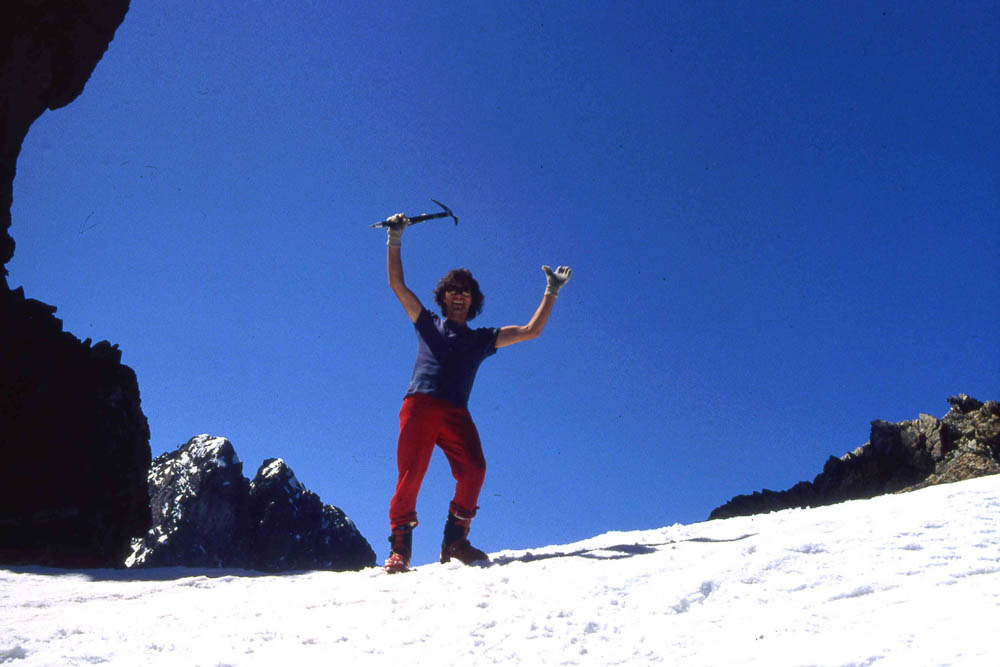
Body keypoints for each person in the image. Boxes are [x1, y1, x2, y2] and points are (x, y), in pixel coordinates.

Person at [382, 213, 571, 573]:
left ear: (473, 302)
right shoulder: (427, 323)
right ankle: (400, 550)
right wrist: (395, 237)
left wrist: (551, 291)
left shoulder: (481, 339)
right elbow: (397, 283)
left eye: (465, 293)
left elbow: (531, 330)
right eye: (453, 291)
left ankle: (455, 541)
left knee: (474, 469)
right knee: (411, 475)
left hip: (456, 412)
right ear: (443, 298)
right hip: (420, 404)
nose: (459, 297)